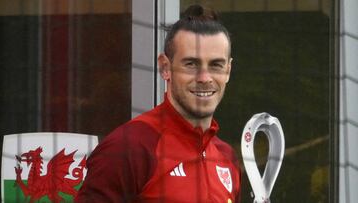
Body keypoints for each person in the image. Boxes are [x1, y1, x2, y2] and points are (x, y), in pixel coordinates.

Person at [75, 4, 241, 203]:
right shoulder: (127, 149)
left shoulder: (227, 158)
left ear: (228, 70)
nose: (204, 78)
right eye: (191, 64)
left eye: (216, 65)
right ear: (165, 67)